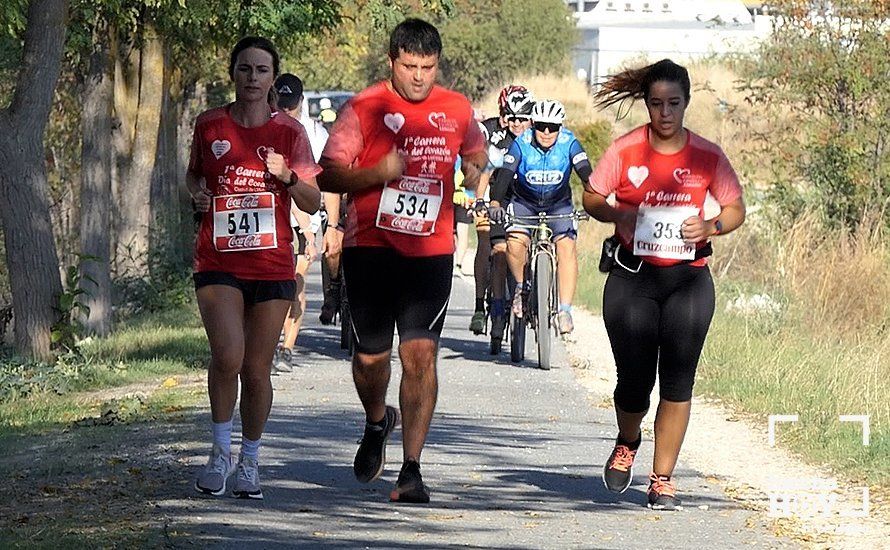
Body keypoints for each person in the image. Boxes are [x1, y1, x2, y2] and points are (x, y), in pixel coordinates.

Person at [317, 18, 487, 504]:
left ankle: (412, 469)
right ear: (392, 60)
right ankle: (377, 421)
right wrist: (377, 172)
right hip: (370, 249)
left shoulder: (456, 108)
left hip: (430, 252)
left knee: (419, 356)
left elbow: (476, 151)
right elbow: (329, 175)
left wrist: (475, 167)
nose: (418, 77)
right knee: (371, 358)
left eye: (428, 68)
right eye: (409, 66)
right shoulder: (364, 108)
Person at [583, 59, 745, 510]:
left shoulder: (707, 155)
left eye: (674, 103)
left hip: (688, 281)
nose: (665, 113)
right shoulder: (626, 150)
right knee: (633, 383)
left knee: (678, 380)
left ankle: (662, 478)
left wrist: (710, 226)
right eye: (656, 104)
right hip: (632, 277)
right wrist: (619, 213)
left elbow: (735, 208)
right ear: (646, 105)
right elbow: (592, 196)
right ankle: (628, 438)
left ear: (687, 103)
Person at [187, 37, 321, 499]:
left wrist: (287, 176)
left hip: (272, 262)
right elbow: (194, 174)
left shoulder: (290, 133)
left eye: (262, 71)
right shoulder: (210, 124)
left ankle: (250, 460)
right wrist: (197, 192)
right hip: (219, 258)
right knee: (228, 355)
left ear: (272, 79)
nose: (252, 78)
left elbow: (312, 199)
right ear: (233, 73)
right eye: (244, 69)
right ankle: (219, 453)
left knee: (257, 369)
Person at [490, 99, 590, 335]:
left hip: (559, 204)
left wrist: (596, 196)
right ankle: (521, 288)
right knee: (514, 243)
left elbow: (585, 170)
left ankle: (565, 310)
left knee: (566, 246)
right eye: (542, 126)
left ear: (560, 127)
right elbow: (505, 174)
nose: (546, 132)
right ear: (533, 124)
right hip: (525, 203)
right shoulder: (521, 144)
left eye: (553, 127)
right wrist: (495, 202)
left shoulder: (569, 142)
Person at [469, 86, 534, 344]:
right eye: (513, 118)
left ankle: (536, 294)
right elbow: (485, 172)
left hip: (528, 203)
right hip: (501, 201)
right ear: (505, 118)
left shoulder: (538, 138)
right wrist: (479, 201)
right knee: (497, 253)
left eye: (523, 118)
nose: (517, 123)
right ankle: (495, 310)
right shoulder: (497, 140)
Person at [272, 73, 328, 373]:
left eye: (291, 104)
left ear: (301, 102)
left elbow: (322, 182)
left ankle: (286, 347)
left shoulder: (315, 135)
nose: (287, 110)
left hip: (305, 217)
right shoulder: (266, 128)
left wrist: (315, 227)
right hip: (275, 216)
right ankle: (267, 342)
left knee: (294, 284)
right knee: (276, 286)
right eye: (282, 103)